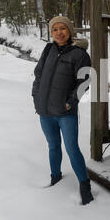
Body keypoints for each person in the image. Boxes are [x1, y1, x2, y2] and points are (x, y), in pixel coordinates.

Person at [32, 16, 93, 205]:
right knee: (53, 146)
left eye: (63, 28)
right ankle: (55, 178)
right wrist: (36, 95)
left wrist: (70, 102)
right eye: (55, 29)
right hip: (45, 111)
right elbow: (39, 74)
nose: (59, 32)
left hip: (65, 113)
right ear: (51, 32)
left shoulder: (79, 54)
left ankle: (85, 187)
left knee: (72, 148)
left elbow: (85, 82)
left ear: (70, 30)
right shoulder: (49, 49)